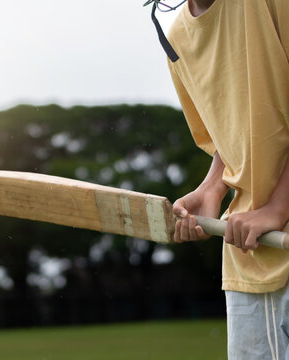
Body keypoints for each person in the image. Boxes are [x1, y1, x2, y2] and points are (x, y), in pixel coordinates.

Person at [155, 0, 289, 358]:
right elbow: (230, 133)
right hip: (251, 253)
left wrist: (278, 206)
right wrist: (212, 186)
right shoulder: (177, 38)